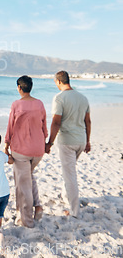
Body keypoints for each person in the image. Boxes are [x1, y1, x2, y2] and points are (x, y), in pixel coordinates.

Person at [46, 70, 91, 218]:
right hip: (81, 141)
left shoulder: (59, 98)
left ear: (59, 81)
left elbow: (56, 122)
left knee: (70, 176)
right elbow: (88, 121)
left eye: (55, 82)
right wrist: (88, 141)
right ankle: (66, 196)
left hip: (67, 142)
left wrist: (50, 143)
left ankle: (74, 212)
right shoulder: (83, 98)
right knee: (70, 171)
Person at [4, 75, 48, 228]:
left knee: (22, 187)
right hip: (38, 150)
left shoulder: (16, 105)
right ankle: (38, 206)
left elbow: (10, 127)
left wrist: (6, 145)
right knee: (28, 177)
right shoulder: (40, 104)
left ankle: (27, 221)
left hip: (21, 150)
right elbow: (44, 129)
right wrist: (45, 143)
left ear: (19, 88)